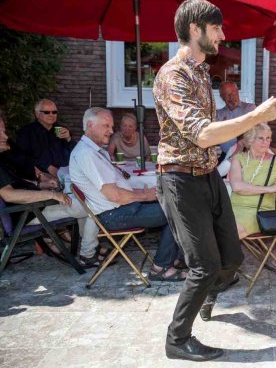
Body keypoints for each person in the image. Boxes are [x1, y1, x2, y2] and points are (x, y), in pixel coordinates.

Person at [152, 0, 276, 362]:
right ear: (195, 30)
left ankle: (208, 293)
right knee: (204, 265)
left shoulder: (202, 73)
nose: (222, 35)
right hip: (180, 180)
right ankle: (177, 340)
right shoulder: (173, 76)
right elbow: (203, 134)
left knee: (232, 258)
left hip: (207, 175)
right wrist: (254, 117)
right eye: (216, 28)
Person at [70, 107, 185, 276]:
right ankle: (161, 268)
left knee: (176, 204)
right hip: (115, 214)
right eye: (106, 126)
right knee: (178, 214)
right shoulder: (86, 154)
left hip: (121, 208)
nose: (111, 131)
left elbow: (116, 188)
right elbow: (114, 195)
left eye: (111, 126)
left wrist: (147, 192)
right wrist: (145, 196)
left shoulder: (94, 151)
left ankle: (171, 257)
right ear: (89, 125)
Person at [0, 115, 94, 264]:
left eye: (4, 131)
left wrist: (40, 183)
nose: (6, 136)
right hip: (29, 212)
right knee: (91, 207)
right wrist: (51, 195)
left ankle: (89, 250)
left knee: (83, 203)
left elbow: (17, 182)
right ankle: (89, 254)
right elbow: (9, 195)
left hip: (34, 206)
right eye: (0, 132)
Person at [228, 123, 276, 239]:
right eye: (261, 138)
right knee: (211, 229)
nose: (265, 142)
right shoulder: (239, 158)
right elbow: (237, 187)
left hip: (259, 213)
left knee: (226, 234)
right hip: (233, 207)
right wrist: (270, 189)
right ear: (251, 139)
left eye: (268, 138)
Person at [16, 99, 75, 178]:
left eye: (54, 112)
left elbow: (75, 153)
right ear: (37, 114)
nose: (51, 115)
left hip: (65, 175)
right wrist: (47, 166)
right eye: (47, 112)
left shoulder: (61, 130)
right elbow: (22, 157)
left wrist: (69, 139)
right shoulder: (26, 133)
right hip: (39, 176)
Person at [216, 81, 257, 156]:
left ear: (237, 92)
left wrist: (225, 128)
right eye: (227, 94)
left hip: (246, 154)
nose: (231, 96)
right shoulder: (219, 114)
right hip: (225, 155)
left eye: (233, 92)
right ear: (222, 97)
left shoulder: (249, 108)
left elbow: (252, 131)